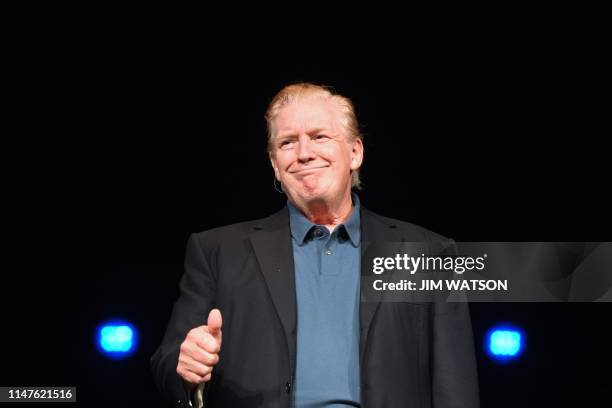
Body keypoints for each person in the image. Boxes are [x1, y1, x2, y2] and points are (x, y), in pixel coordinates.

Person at [151, 83, 479, 408]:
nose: (304, 153)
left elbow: (455, 386)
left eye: (319, 137)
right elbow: (168, 362)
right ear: (275, 165)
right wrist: (186, 370)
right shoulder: (216, 251)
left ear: (355, 153)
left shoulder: (429, 252)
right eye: (288, 143)